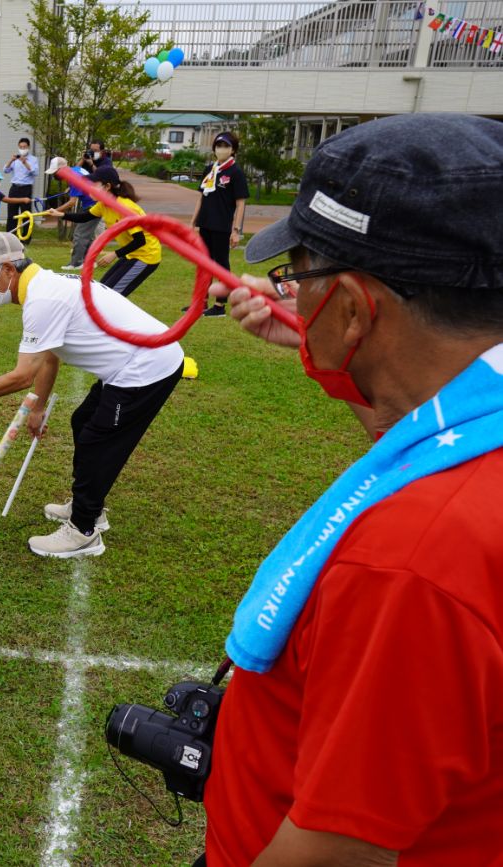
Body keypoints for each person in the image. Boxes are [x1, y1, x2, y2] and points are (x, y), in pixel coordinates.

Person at [196, 112, 503, 867]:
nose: (291, 295)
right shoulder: (476, 427)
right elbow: (418, 438)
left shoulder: (411, 563)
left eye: (299, 277)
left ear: (357, 309)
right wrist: (321, 345)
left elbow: (333, 852)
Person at [0, 232, 183, 558]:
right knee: (84, 421)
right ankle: (87, 506)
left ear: (8, 269)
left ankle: (84, 530)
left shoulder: (42, 300)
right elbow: (50, 355)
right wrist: (37, 409)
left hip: (148, 366)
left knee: (98, 439)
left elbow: (22, 376)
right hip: (134, 362)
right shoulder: (43, 287)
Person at [53, 166, 161, 297]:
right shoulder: (103, 204)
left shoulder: (125, 208)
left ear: (107, 186)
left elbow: (140, 241)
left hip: (146, 257)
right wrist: (61, 214)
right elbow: (84, 217)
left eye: (94, 184)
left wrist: (114, 254)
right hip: (131, 254)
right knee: (102, 289)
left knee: (111, 296)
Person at [188, 131, 249, 317]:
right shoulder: (210, 169)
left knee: (221, 265)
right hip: (205, 223)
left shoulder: (235, 172)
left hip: (222, 226)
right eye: (218, 146)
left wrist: (236, 231)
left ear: (233, 150)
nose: (221, 149)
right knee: (204, 263)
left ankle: (220, 305)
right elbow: (201, 197)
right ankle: (201, 303)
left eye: (226, 146)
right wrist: (193, 222)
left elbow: (240, 203)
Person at [44, 155, 99, 272]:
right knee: (88, 235)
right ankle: (90, 262)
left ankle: (76, 263)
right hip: (96, 203)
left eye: (55, 173)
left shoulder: (73, 178)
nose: (54, 176)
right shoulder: (76, 169)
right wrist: (70, 188)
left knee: (79, 235)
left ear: (62, 169)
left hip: (92, 205)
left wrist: (56, 211)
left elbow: (71, 203)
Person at [2, 137, 40, 232]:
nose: (22, 149)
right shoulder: (15, 159)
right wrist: (11, 160)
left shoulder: (33, 159)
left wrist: (25, 162)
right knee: (12, 213)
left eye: (24, 147)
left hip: (26, 188)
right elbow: (5, 170)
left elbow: (35, 172)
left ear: (28, 147)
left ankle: (26, 237)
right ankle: (10, 235)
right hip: (14, 188)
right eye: (21, 147)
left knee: (26, 214)